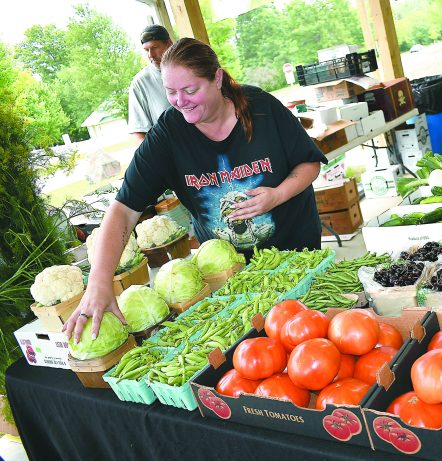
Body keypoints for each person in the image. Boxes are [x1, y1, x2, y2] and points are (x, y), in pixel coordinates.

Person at [65, 38, 327, 342]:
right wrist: (99, 282)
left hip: (297, 259)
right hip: (230, 278)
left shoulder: (262, 108)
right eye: (171, 92)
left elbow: (310, 164)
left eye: (190, 90)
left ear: (216, 78)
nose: (180, 101)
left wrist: (277, 195)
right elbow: (123, 209)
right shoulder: (168, 135)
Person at [128, 25, 173, 142]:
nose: (150, 55)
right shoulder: (140, 83)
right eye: (146, 50)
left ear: (169, 44)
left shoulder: (190, 68)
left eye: (155, 47)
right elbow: (139, 134)